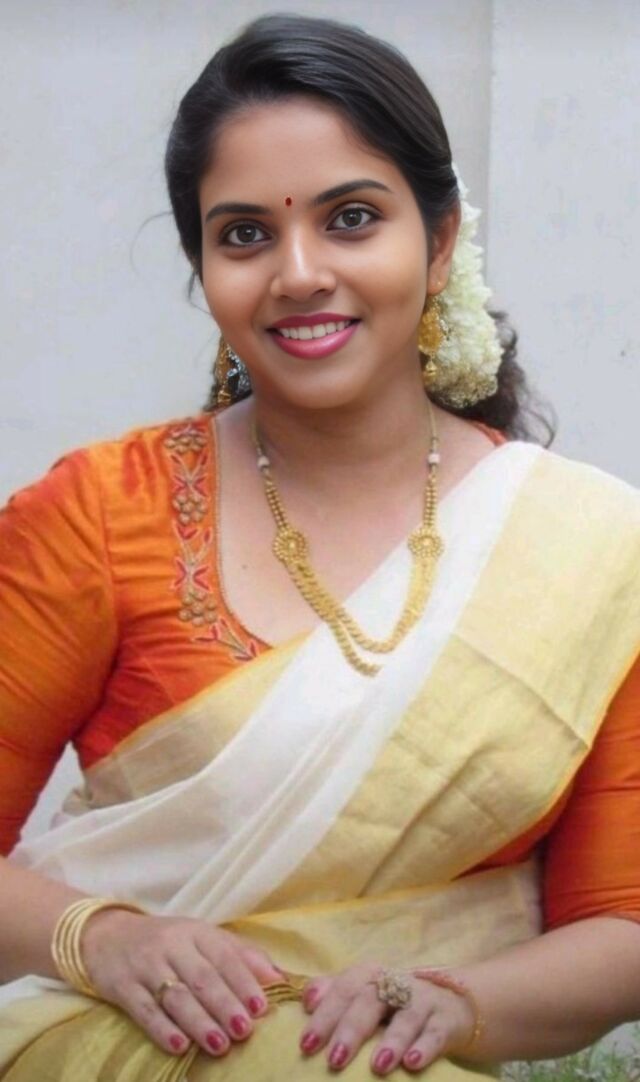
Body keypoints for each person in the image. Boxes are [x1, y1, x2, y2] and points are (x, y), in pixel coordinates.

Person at [0, 13, 639, 1081]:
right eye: (245, 234)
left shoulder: (588, 552)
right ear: (203, 266)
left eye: (352, 219)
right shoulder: (100, 514)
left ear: (439, 242)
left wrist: (450, 1004)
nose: (298, 273)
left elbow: (621, 925)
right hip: (121, 1049)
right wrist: (104, 937)